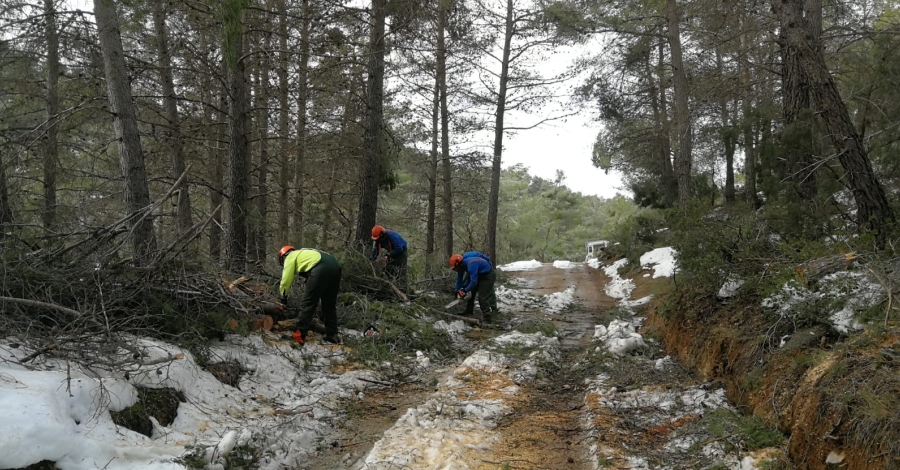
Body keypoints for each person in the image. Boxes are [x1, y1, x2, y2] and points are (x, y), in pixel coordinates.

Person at [278, 245, 342, 345]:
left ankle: (298, 336)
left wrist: (283, 297)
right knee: (329, 305)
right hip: (335, 266)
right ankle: (332, 335)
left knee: (308, 304)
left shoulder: (290, 256)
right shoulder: (305, 252)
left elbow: (286, 280)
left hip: (320, 267)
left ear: (283, 256)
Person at [449, 252, 499, 323]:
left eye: (455, 268)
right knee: (471, 290)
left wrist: (465, 290)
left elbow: (473, 281)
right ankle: (469, 310)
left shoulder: (471, 264)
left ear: (459, 264)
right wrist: (459, 290)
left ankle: (487, 317)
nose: (456, 270)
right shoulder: (463, 265)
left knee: (482, 296)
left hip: (488, 276)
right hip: (479, 274)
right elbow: (463, 278)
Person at [370, 225, 408, 291]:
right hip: (392, 252)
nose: (377, 240)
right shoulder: (378, 240)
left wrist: (388, 255)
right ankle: (392, 288)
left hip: (401, 253)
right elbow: (376, 251)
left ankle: (403, 290)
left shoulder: (392, 236)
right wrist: (371, 260)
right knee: (388, 270)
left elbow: (399, 249)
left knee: (400, 272)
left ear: (382, 234)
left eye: (378, 238)